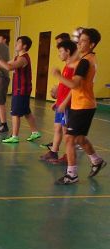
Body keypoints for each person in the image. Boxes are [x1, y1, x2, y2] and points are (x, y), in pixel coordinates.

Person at [54, 28, 105, 184]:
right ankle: (96, 161)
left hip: (82, 105)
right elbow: (71, 63)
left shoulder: (85, 62)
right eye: (79, 40)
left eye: (83, 41)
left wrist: (58, 76)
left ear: (92, 44)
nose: (80, 43)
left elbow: (74, 84)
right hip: (84, 104)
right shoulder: (89, 58)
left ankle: (72, 175)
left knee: (69, 139)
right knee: (80, 138)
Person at [0, 36, 42, 144]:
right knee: (26, 112)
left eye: (18, 42)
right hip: (21, 89)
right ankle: (35, 132)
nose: (16, 44)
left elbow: (9, 67)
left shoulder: (23, 59)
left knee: (15, 113)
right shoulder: (18, 57)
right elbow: (6, 64)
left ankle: (15, 136)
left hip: (21, 89)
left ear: (24, 46)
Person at [40, 39, 77, 164]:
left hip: (67, 105)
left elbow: (73, 88)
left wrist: (64, 102)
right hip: (60, 103)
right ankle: (53, 152)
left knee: (66, 132)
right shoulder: (66, 66)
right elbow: (64, 86)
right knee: (57, 128)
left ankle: (68, 156)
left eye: (61, 51)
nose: (59, 54)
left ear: (68, 51)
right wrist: (57, 101)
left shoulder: (73, 67)